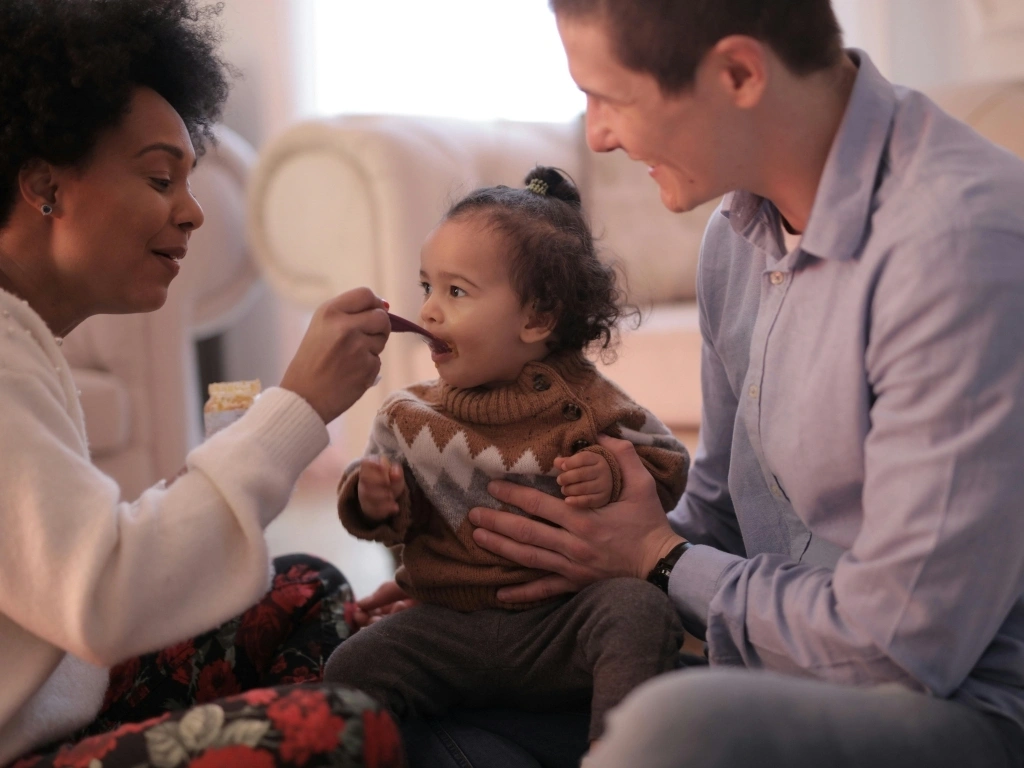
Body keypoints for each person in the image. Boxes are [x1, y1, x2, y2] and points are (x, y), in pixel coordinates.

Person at [370, 1, 1024, 766]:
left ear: (739, 73)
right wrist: (510, 586)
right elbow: (721, 508)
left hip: (948, 708)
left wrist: (661, 558)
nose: (598, 136)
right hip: (761, 669)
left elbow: (902, 652)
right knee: (391, 707)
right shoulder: (738, 235)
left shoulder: (960, 248)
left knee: (669, 732)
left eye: (610, 97)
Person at [0, 1, 404, 766]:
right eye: (160, 178)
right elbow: (105, 596)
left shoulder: (23, 335)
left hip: (61, 702)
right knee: (344, 730)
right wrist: (299, 408)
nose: (191, 214)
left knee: (305, 589)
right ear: (44, 186)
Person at [323, 167, 689, 744]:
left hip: (561, 627)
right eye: (426, 288)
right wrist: (372, 498)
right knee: (351, 667)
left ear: (537, 318)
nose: (430, 312)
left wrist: (613, 475)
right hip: (447, 628)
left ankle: (615, 755)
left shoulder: (590, 403)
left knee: (637, 612)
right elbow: (383, 520)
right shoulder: (407, 415)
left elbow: (668, 463)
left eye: (456, 291)